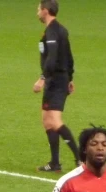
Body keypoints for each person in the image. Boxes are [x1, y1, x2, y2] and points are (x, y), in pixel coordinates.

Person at [33, 0, 80, 172]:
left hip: (55, 80)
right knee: (47, 121)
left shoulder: (52, 31)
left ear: (46, 11)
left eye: (39, 9)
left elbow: (52, 58)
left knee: (54, 120)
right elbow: (69, 56)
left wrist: (42, 78)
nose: (37, 12)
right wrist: (70, 77)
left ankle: (80, 159)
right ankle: (55, 163)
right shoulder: (60, 30)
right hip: (60, 79)